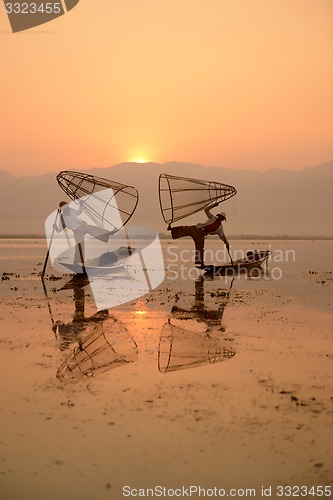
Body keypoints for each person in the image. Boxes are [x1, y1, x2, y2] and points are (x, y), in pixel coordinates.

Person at [168, 201, 230, 268]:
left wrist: (227, 243)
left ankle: (200, 263)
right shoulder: (212, 218)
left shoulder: (220, 228)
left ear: (223, 219)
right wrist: (214, 205)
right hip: (197, 228)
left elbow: (223, 237)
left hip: (201, 235)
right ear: (218, 216)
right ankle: (172, 229)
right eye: (220, 217)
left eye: (222, 218)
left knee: (200, 248)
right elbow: (206, 210)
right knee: (185, 229)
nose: (221, 218)